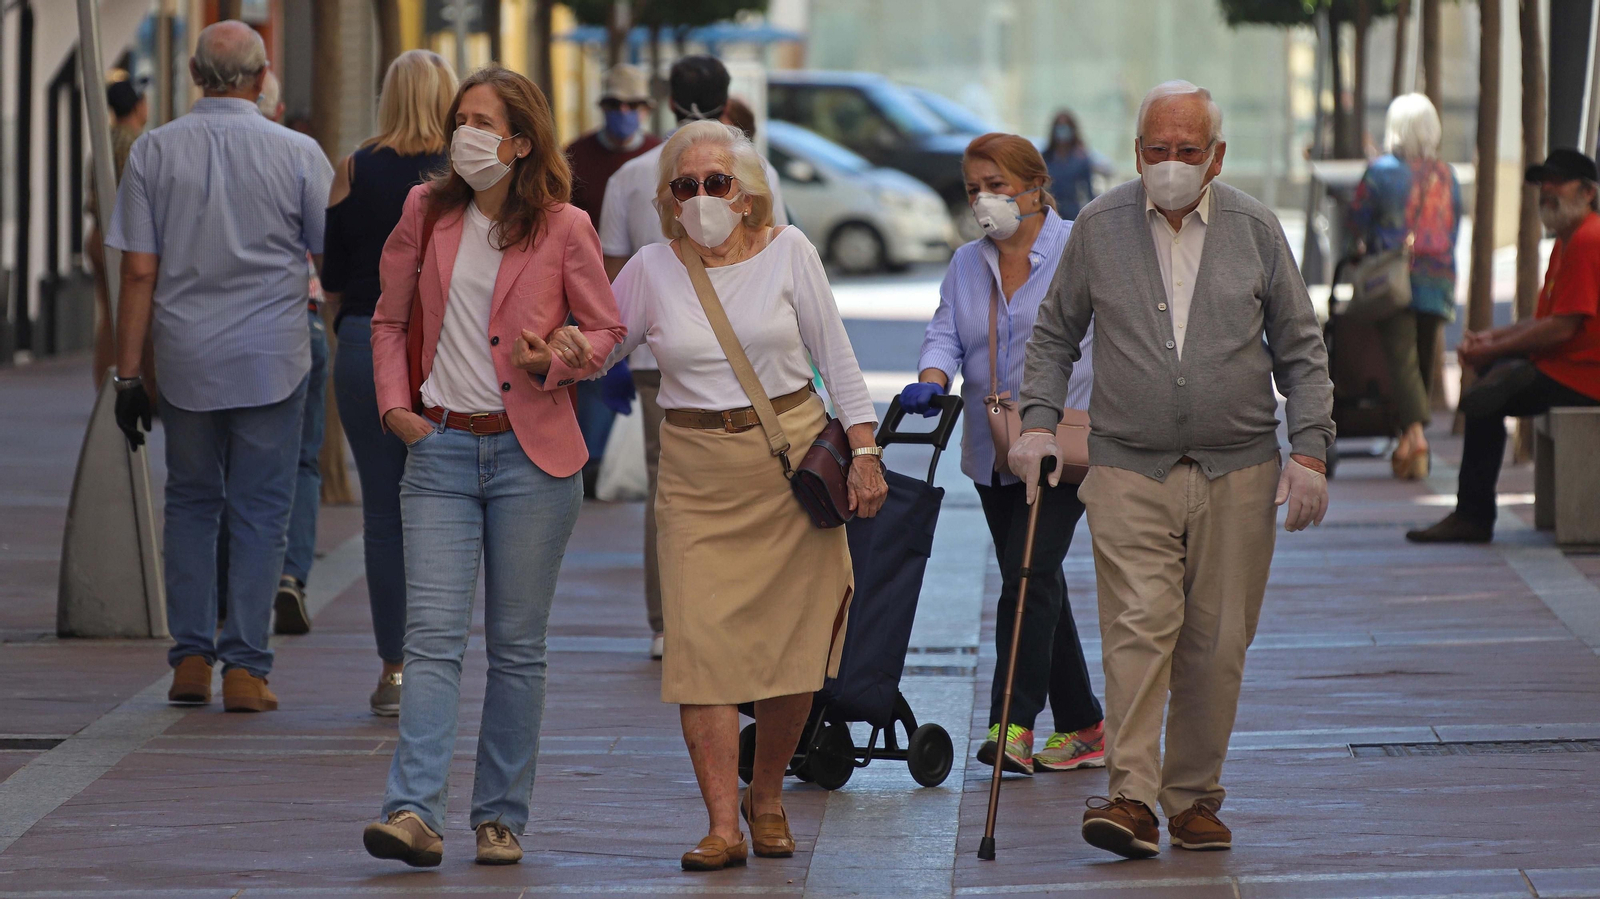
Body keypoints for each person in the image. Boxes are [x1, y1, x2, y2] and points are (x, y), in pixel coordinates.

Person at [1013, 81, 1333, 860]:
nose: (1170, 164)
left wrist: (1312, 452)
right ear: (1135, 152)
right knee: (1138, 627)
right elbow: (1054, 336)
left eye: (1187, 151)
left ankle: (1192, 797)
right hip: (1129, 467)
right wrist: (1036, 426)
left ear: (1216, 157)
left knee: (1219, 641)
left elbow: (1300, 345)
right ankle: (1129, 795)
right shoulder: (1100, 225)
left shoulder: (1257, 230)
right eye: (1157, 150)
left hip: (1240, 468)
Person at [360, 66, 623, 868]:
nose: (464, 134)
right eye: (458, 120)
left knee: (515, 645)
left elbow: (606, 331)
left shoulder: (565, 225)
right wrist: (394, 407)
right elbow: (387, 316)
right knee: (432, 640)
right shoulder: (424, 209)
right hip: (437, 446)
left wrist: (566, 357)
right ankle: (412, 812)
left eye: (482, 121)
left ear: (519, 141)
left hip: (531, 458)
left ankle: (500, 816)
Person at [606, 119, 884, 872]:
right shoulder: (649, 269)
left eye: (717, 182)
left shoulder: (791, 251)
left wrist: (864, 452)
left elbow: (838, 357)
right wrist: (561, 350)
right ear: (666, 199)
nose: (701, 198)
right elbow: (599, 343)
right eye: (685, 186)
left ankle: (766, 793)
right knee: (699, 648)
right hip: (696, 474)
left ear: (748, 191)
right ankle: (722, 823)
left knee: (790, 650)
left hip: (787, 466)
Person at [106, 21, 333, 713]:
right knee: (264, 508)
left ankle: (191, 658)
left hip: (187, 358)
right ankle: (245, 666)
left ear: (197, 76)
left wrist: (127, 375)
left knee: (192, 503)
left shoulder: (153, 151)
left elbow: (139, 272)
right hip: (273, 356)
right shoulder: (299, 152)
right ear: (262, 77)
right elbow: (330, 256)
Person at [901, 133, 1105, 775]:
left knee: (1024, 573)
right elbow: (944, 331)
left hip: (1063, 444)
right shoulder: (968, 263)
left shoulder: (1078, 250)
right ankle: (1084, 726)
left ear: (1035, 186)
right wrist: (932, 380)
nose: (983, 200)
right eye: (972, 189)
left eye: (996, 186)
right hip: (995, 451)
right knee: (1036, 579)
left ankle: (1011, 725)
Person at [599, 55, 789, 660]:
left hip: (658, 358)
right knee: (751, 486)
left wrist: (605, 357)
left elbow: (610, 277)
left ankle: (668, 622)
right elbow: (775, 257)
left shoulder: (631, 177)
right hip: (747, 359)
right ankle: (738, 613)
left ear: (665, 100)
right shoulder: (756, 174)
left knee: (669, 488)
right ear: (728, 98)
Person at [319, 49, 456, 714]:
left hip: (362, 343)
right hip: (448, 354)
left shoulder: (354, 167)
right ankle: (438, 665)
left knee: (383, 512)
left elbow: (334, 275)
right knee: (450, 510)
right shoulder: (465, 171)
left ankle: (395, 670)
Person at [1408, 149, 1600, 544]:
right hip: (1569, 363)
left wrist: (1492, 350)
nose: (1546, 191)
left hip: (1585, 374)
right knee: (1490, 378)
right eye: (1542, 183)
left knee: (1487, 396)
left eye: (1557, 182)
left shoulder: (1587, 240)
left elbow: (1562, 329)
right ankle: (1472, 512)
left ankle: (1473, 516)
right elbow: (1548, 321)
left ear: (1587, 192)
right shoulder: (1568, 241)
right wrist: (1492, 340)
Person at [1349, 93, 1463, 480]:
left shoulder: (1381, 172)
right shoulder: (1447, 174)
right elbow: (1454, 226)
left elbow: (1356, 220)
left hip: (1394, 279)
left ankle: (1415, 437)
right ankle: (1411, 437)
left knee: (1402, 360)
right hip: (1438, 278)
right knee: (1424, 357)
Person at [565, 64, 662, 495]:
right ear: (602, 107)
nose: (623, 113)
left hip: (645, 294)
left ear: (645, 110)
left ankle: (611, 465)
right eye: (614, 105)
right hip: (581, 289)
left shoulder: (660, 158)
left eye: (632, 105)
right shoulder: (575, 157)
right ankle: (590, 463)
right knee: (590, 379)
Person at [88, 77, 150, 387]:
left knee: (109, 317)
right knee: (133, 313)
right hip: (121, 237)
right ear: (139, 105)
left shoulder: (107, 139)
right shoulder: (136, 144)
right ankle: (137, 386)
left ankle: (104, 385)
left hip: (97, 234)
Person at [1043, 109, 1107, 221]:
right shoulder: (1045, 157)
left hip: (1072, 212)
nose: (1062, 131)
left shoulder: (1080, 159)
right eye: (1059, 126)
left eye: (1065, 126)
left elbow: (1088, 191)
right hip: (1049, 211)